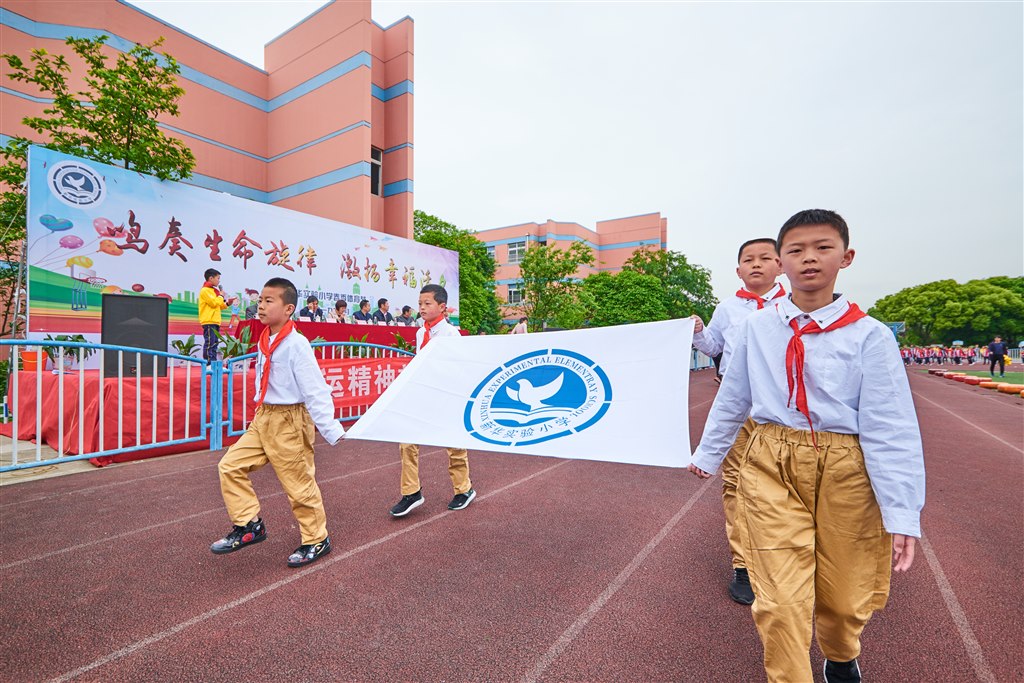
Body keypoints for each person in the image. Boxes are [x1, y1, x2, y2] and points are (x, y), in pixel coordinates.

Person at [688, 209, 925, 683]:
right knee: (778, 599)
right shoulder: (756, 327)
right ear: (783, 262)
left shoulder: (870, 335)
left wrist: (902, 511)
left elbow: (890, 425)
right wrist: (708, 454)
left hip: (846, 467)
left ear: (846, 257)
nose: (809, 258)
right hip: (770, 460)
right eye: (796, 250)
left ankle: (841, 653)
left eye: (822, 248)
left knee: (844, 597)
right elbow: (734, 395)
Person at [210, 277, 345, 567]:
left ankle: (316, 539)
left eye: (269, 301)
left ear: (288, 309)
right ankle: (249, 524)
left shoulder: (296, 344)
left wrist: (331, 428)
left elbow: (315, 389)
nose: (260, 305)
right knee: (230, 466)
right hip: (265, 417)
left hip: (289, 420)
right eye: (260, 300)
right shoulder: (265, 341)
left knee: (299, 485)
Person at [689, 237, 784, 605]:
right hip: (737, 407)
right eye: (749, 259)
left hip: (781, 411)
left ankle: (781, 556)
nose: (756, 264)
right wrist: (699, 331)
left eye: (765, 258)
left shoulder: (795, 305)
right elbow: (715, 347)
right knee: (736, 484)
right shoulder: (728, 308)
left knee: (783, 484)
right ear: (738, 270)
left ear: (780, 265)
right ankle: (743, 565)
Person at [390, 284, 476, 517]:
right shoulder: (421, 333)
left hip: (446, 395)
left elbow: (460, 367)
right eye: (420, 303)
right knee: (407, 441)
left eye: (427, 303)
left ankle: (464, 489)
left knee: (454, 444)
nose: (422, 308)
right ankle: (411, 492)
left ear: (442, 306)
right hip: (423, 395)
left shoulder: (451, 334)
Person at [199, 268, 235, 363]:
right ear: (211, 278)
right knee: (209, 344)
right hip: (209, 321)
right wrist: (221, 295)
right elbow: (214, 303)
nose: (219, 281)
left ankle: (213, 363)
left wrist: (228, 303)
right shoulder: (205, 290)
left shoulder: (214, 291)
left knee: (214, 344)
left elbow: (219, 305)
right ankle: (208, 363)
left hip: (215, 321)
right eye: (218, 278)